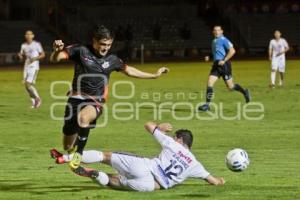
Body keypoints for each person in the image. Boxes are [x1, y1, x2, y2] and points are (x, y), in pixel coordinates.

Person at [49, 25, 169, 170]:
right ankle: (71, 153)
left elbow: (129, 70)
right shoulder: (81, 51)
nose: (106, 48)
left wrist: (154, 76)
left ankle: (78, 154)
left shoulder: (112, 59)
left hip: (95, 101)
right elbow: (56, 59)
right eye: (102, 44)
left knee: (83, 118)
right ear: (94, 41)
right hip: (75, 99)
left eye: (109, 45)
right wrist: (56, 51)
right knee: (67, 145)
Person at [52, 121, 225, 192]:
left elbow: (148, 125)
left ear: (180, 139)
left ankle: (66, 158)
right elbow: (213, 180)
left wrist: (160, 127)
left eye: (175, 137)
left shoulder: (173, 144)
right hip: (150, 185)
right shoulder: (195, 164)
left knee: (105, 156)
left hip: (144, 166)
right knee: (115, 182)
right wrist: (220, 181)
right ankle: (95, 175)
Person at [198, 25, 250, 111]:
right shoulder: (214, 41)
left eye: (218, 30)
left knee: (231, 87)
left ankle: (245, 92)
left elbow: (232, 51)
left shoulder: (224, 40)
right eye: (215, 30)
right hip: (216, 65)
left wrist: (224, 60)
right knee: (209, 84)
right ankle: (207, 105)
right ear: (213, 32)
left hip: (225, 66)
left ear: (222, 31)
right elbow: (216, 53)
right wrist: (209, 56)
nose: (217, 32)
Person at [18, 30, 45, 108]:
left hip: (34, 66)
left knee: (28, 84)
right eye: (27, 34)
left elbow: (43, 55)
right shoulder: (23, 45)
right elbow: (21, 54)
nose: (28, 35)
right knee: (26, 86)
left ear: (33, 36)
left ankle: (38, 99)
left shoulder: (36, 44)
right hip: (26, 65)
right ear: (25, 36)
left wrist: (35, 58)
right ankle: (34, 102)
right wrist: (20, 55)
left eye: (30, 34)